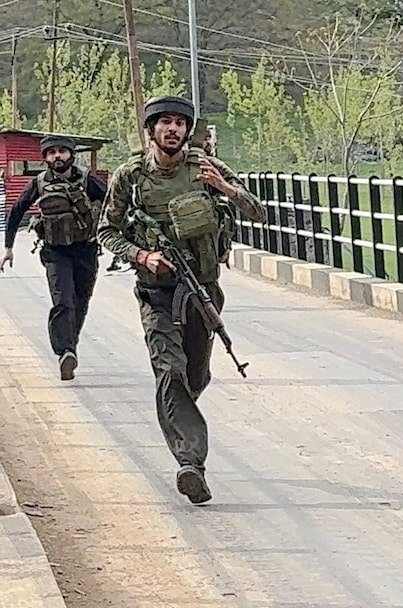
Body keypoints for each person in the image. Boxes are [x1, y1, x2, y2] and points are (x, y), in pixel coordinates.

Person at [97, 95, 266, 504]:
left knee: (195, 376)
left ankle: (178, 416)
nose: (172, 129)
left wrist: (224, 188)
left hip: (203, 291)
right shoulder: (130, 176)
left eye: (179, 123)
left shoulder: (205, 168)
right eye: (164, 122)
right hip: (157, 294)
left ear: (187, 131)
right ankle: (191, 464)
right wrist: (142, 256)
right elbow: (106, 231)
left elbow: (258, 213)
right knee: (170, 372)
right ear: (151, 130)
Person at [1, 135, 108, 380]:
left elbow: (114, 204)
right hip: (55, 252)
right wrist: (8, 248)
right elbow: (16, 211)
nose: (57, 156)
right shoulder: (38, 183)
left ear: (71, 154)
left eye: (61, 151)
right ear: (45, 157)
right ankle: (65, 351)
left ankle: (71, 345)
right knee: (63, 301)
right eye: (51, 153)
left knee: (81, 301)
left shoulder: (87, 179)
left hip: (86, 250)